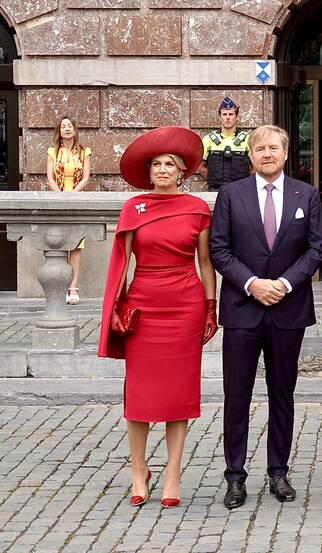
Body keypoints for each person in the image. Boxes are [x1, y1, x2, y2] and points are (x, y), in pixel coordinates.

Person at [98, 126, 218, 509]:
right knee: (140, 395)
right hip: (144, 307)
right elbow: (121, 265)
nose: (163, 169)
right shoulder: (133, 208)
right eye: (156, 164)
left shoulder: (197, 208)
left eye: (170, 163)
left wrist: (211, 307)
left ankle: (171, 474)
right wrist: (116, 308)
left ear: (182, 171)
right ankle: (138, 471)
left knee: (177, 395)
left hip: (185, 305)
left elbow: (205, 261)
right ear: (148, 173)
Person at [210, 125, 322, 509]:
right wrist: (253, 283)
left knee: (282, 395)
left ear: (286, 153)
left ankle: (279, 472)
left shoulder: (305, 194)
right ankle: (235, 477)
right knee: (236, 396)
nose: (267, 154)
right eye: (260, 148)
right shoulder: (230, 195)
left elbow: (315, 249)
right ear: (251, 155)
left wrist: (285, 285)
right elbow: (219, 250)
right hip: (243, 311)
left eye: (274, 147)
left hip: (287, 310)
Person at [46, 115, 92, 305]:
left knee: (76, 247)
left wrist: (72, 194)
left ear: (74, 129)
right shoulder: (52, 152)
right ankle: (61, 287)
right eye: (63, 126)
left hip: (77, 199)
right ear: (59, 131)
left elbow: (86, 177)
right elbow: (49, 178)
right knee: (59, 244)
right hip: (58, 200)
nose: (66, 128)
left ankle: (73, 287)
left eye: (69, 125)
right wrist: (62, 196)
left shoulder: (84, 151)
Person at [196, 97, 251, 190]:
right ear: (220, 117)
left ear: (237, 117)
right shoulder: (208, 139)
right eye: (224, 114)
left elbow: (256, 166)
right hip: (216, 190)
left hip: (242, 190)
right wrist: (214, 179)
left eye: (231, 114)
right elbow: (199, 166)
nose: (228, 117)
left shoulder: (247, 139)